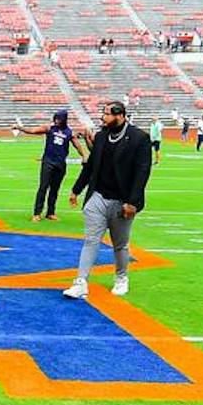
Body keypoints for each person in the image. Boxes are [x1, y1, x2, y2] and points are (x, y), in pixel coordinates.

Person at [65, 101, 152, 298]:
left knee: (120, 244)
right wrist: (76, 190)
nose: (103, 117)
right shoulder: (102, 136)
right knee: (90, 240)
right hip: (98, 197)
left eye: (106, 114)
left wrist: (132, 202)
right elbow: (91, 165)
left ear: (120, 115)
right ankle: (81, 282)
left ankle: (121, 278)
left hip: (123, 201)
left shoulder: (139, 138)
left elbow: (142, 172)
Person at [19, 109, 84, 222]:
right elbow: (33, 131)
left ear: (64, 120)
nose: (57, 121)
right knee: (43, 187)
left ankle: (50, 212)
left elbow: (77, 145)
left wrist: (84, 156)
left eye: (59, 119)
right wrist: (21, 128)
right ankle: (37, 213)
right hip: (48, 161)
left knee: (55, 189)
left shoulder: (69, 132)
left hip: (60, 163)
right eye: (56, 118)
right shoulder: (49, 128)